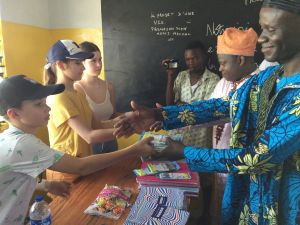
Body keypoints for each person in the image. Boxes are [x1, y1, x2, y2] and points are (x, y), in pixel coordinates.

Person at [114, 0, 300, 224]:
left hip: (282, 208)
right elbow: (223, 105)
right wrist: (160, 116)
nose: (261, 38)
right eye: (262, 28)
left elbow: (258, 156)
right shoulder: (268, 78)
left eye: (272, 29)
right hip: (246, 198)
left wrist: (184, 151)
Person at [0, 75, 154, 225]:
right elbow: (81, 166)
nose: (47, 108)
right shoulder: (23, 143)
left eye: (44, 102)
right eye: (38, 104)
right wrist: (134, 150)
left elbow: (14, 176)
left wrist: (45, 185)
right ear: (14, 113)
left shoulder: (9, 137)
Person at [43, 40, 137, 182]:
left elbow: (98, 125)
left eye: (82, 62)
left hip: (84, 167)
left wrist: (129, 119)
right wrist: (131, 131)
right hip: (66, 173)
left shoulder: (77, 94)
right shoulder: (59, 97)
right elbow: (89, 136)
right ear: (61, 65)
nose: (82, 67)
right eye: (78, 63)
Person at [162, 40, 220, 224]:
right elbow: (171, 105)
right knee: (182, 182)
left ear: (205, 57)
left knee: (203, 183)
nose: (191, 62)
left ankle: (202, 217)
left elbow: (208, 111)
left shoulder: (215, 80)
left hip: (202, 140)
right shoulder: (181, 77)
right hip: (180, 139)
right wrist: (171, 76)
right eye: (187, 59)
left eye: (195, 57)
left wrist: (182, 108)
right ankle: (183, 217)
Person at [209, 27, 259, 225]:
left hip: (244, 173)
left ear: (240, 60)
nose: (220, 68)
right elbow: (207, 113)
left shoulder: (260, 85)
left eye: (223, 63)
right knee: (219, 213)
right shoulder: (224, 83)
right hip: (220, 167)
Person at [74, 41, 118, 154]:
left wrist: (132, 117)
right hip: (89, 145)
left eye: (100, 60)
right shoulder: (76, 89)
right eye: (93, 61)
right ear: (81, 63)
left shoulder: (109, 87)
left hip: (111, 139)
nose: (99, 65)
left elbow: (113, 115)